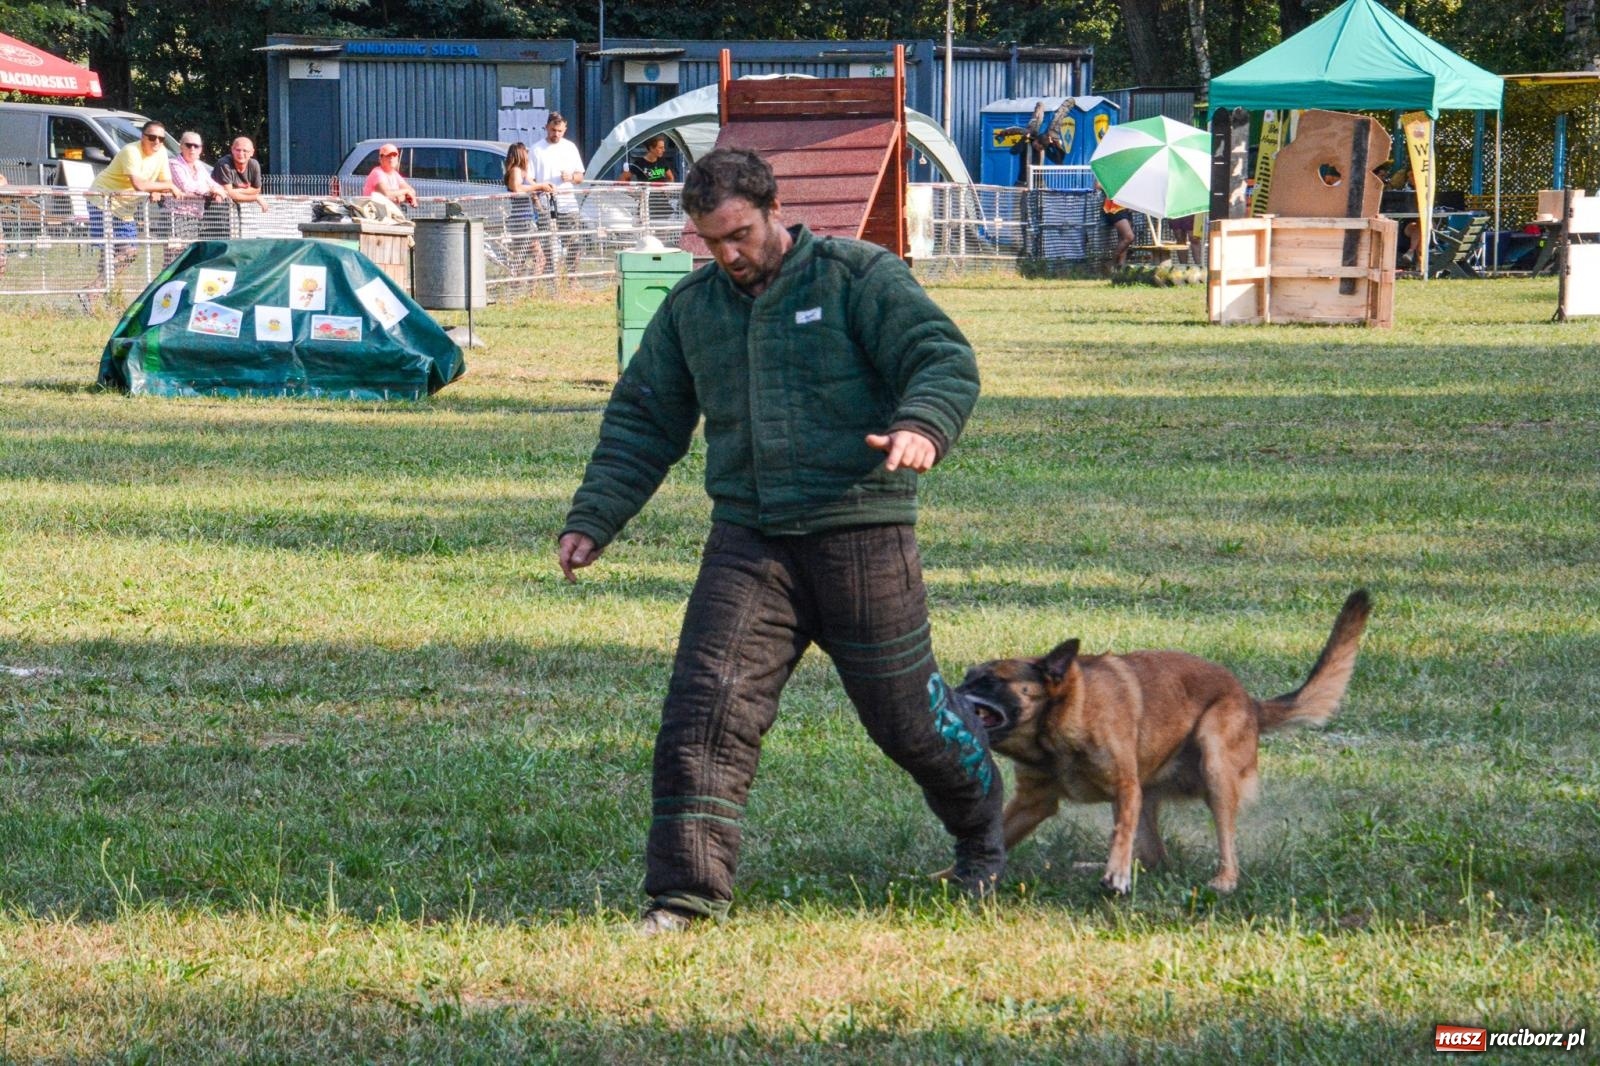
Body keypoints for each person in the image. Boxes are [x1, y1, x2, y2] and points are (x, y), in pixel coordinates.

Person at [557, 148, 1005, 935]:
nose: (727, 254)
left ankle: (981, 833)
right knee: (705, 711)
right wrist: (594, 519)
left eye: (738, 234)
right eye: (710, 240)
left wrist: (921, 426)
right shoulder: (693, 309)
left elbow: (941, 358)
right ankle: (686, 896)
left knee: (910, 724)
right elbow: (643, 418)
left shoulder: (856, 276)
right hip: (750, 542)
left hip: (860, 532)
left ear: (773, 209)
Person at [89, 119, 176, 266]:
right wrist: (160, 188)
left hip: (125, 210)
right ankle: (104, 281)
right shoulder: (131, 151)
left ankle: (99, 286)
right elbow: (139, 185)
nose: (157, 141)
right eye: (152, 137)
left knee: (130, 254)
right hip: (103, 201)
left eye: (161, 139)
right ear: (142, 136)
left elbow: (165, 183)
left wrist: (157, 190)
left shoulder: (161, 153)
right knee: (115, 251)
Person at [529, 113, 585, 272]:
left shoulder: (570, 147)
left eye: (560, 131)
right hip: (545, 205)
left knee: (574, 243)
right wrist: (538, 195)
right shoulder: (536, 149)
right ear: (546, 127)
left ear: (565, 129)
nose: (556, 134)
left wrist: (571, 177)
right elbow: (530, 179)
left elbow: (580, 176)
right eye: (553, 130)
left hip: (568, 204)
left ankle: (572, 278)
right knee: (548, 245)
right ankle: (550, 279)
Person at [165, 131, 229, 242]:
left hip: (194, 215)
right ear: (181, 146)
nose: (192, 149)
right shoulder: (174, 164)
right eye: (188, 145)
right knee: (175, 253)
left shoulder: (199, 165)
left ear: (200, 149)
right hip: (175, 215)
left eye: (196, 146)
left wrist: (218, 190)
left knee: (189, 252)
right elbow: (186, 186)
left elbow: (211, 182)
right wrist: (211, 191)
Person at [503, 141, 553, 276]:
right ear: (520, 154)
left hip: (527, 219)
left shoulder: (524, 172)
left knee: (525, 259)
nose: (528, 155)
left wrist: (545, 187)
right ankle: (528, 289)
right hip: (521, 221)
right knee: (535, 258)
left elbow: (533, 186)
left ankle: (524, 287)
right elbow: (517, 188)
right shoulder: (515, 171)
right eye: (526, 152)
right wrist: (539, 186)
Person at [211, 137, 267, 208]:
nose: (241, 153)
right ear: (232, 150)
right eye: (238, 150)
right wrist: (255, 198)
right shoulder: (224, 164)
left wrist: (236, 191)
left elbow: (257, 190)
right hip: (214, 209)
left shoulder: (254, 165)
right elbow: (228, 194)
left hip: (235, 210)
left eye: (245, 151)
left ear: (252, 152)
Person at [362, 143, 419, 207]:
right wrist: (406, 191)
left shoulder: (395, 174)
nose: (392, 158)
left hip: (386, 212)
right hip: (373, 213)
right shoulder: (377, 172)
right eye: (388, 155)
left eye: (394, 155)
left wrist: (401, 196)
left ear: (397, 158)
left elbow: (412, 191)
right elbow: (387, 194)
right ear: (381, 159)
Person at [1100, 183, 1135, 269]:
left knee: (1123, 239)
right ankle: (1111, 262)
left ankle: (1120, 267)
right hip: (1114, 208)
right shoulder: (1109, 170)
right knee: (1129, 237)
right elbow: (1097, 185)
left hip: (1127, 207)